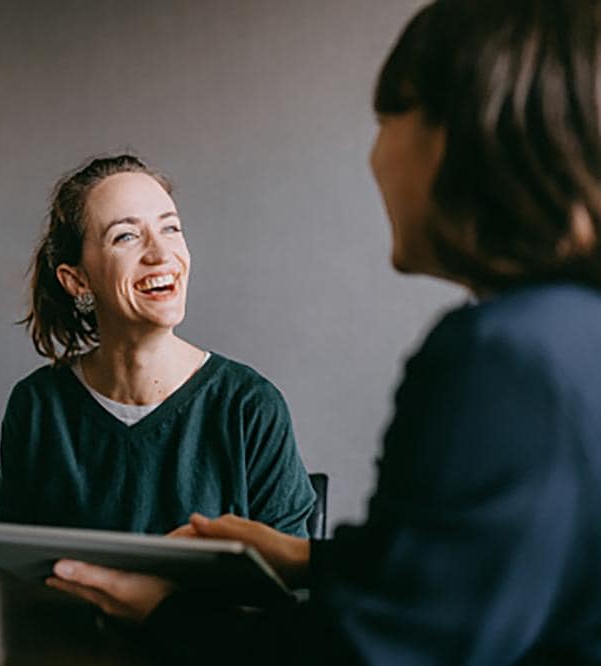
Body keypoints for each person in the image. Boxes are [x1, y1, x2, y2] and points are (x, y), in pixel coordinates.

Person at [47, 2, 601, 663]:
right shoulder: (569, 335)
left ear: (454, 135)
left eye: (386, 121)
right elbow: (471, 572)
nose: (373, 156)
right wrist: (308, 558)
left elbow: (367, 652)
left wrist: (164, 613)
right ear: (73, 278)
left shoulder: (502, 360)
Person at [0, 154, 318, 537]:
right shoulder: (37, 407)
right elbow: (12, 570)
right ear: (77, 280)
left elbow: (288, 584)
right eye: (126, 236)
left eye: (171, 228)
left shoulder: (250, 406)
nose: (162, 255)